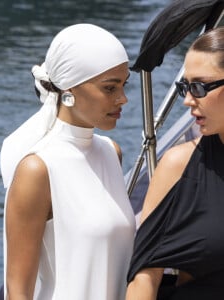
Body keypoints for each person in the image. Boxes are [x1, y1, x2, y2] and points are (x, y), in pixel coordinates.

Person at [0, 23, 136, 300]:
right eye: (110, 88)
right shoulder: (38, 169)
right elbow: (18, 291)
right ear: (70, 89)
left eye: (124, 85)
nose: (123, 98)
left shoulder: (111, 152)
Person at [126, 26, 224, 300]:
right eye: (185, 87)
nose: (187, 101)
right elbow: (143, 280)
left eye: (199, 87)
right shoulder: (179, 166)